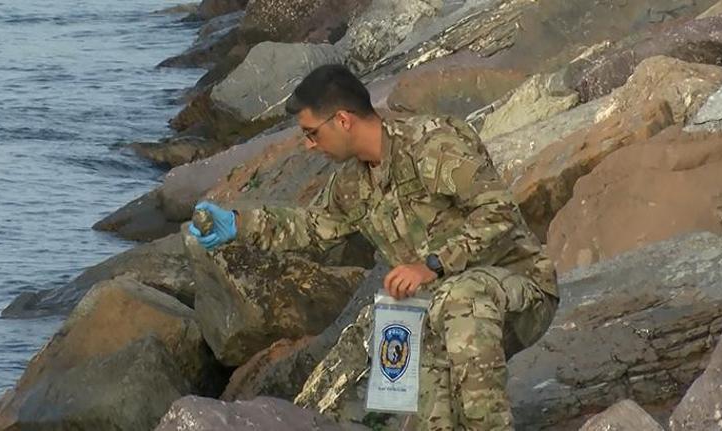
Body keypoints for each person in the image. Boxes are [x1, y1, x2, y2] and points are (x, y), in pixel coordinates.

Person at [188, 64, 559, 430]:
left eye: (312, 134)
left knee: (463, 297)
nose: (308, 145)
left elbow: (499, 212)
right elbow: (312, 227)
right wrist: (239, 224)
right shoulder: (352, 182)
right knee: (428, 408)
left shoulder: (433, 144)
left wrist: (432, 264)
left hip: (516, 289)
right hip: (435, 309)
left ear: (343, 120)